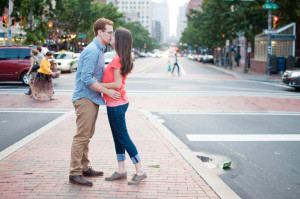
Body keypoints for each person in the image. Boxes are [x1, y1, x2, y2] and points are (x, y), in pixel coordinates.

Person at [69, 18, 121, 187]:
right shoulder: (93, 51)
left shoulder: (100, 50)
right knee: (82, 136)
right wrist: (107, 92)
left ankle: (84, 167)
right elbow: (86, 78)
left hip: (91, 98)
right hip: (85, 98)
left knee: (87, 135)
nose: (111, 35)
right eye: (109, 32)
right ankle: (75, 172)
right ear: (100, 32)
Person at [97, 27, 147, 185]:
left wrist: (99, 84)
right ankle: (121, 170)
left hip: (117, 104)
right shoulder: (119, 57)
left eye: (114, 35)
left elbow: (117, 84)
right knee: (117, 138)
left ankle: (140, 171)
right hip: (115, 103)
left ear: (119, 40)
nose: (111, 36)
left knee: (123, 138)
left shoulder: (118, 59)